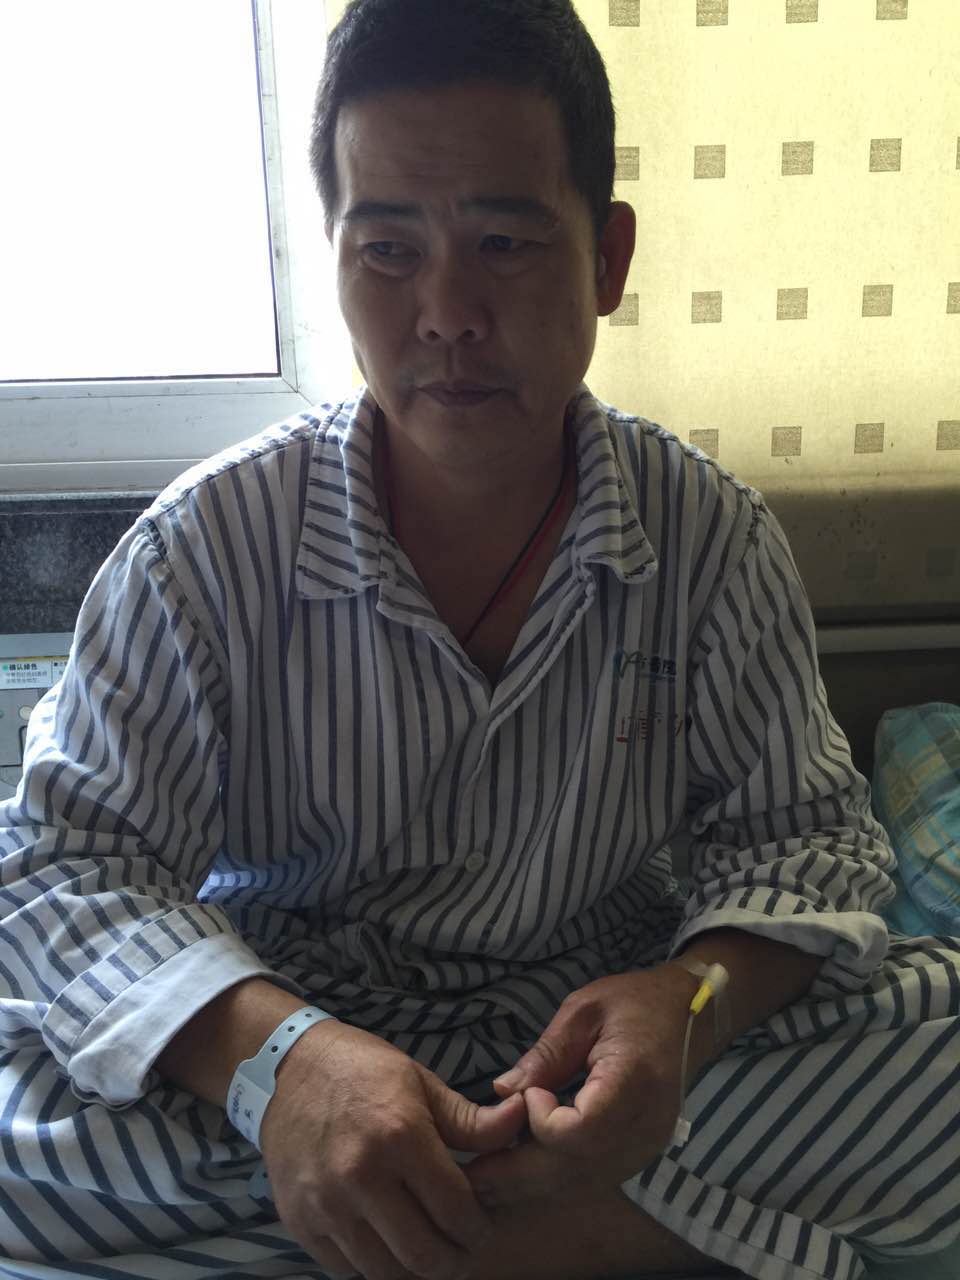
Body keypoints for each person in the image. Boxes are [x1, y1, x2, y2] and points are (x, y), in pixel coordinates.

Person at [1, 1, 958, 1278]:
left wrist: (687, 1005)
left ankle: (402, 1226)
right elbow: (70, 865)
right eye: (388, 249)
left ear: (607, 258)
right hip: (285, 1019)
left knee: (938, 1039)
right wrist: (282, 1064)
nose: (446, 311)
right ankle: (566, 1228)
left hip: (592, 1040)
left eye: (503, 241)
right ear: (334, 257)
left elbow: (805, 844)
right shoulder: (206, 545)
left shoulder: (708, 538)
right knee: (27, 1118)